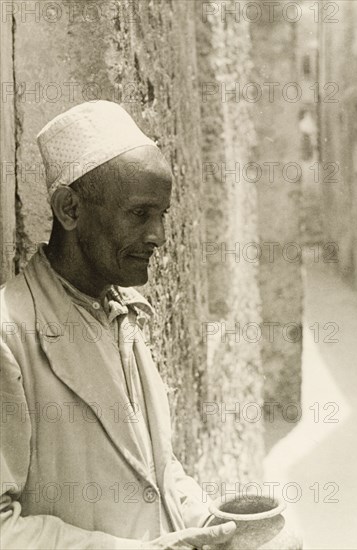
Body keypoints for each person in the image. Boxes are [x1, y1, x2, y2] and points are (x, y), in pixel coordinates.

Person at [0, 101, 236, 549]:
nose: (158, 236)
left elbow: (158, 472)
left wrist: (213, 524)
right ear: (69, 209)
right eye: (139, 213)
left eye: (162, 214)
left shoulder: (122, 313)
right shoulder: (9, 336)